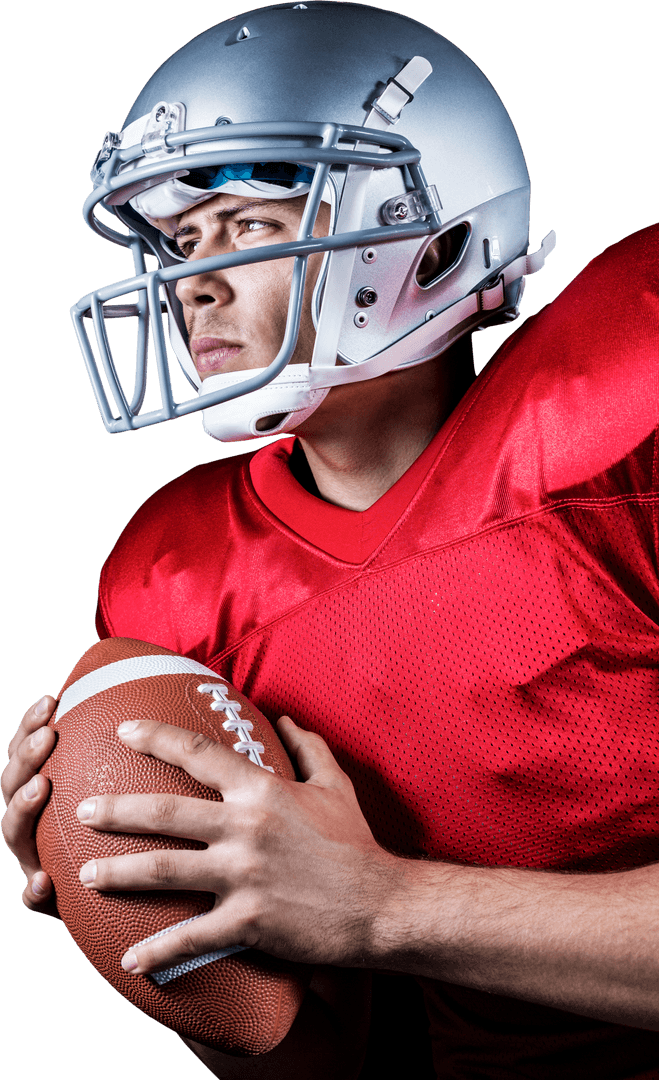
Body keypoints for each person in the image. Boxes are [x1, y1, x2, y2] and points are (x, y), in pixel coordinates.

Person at [2, 4, 658, 1078]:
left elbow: (362, 916)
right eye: (179, 242)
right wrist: (143, 916)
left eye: (252, 226)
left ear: (436, 243)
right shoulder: (176, 580)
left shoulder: (621, 425)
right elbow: (326, 1063)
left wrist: (381, 906)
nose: (191, 283)